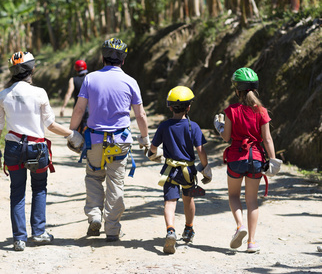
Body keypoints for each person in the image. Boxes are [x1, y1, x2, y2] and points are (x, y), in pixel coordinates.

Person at [0, 51, 84, 252]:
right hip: (37, 149)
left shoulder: (4, 95)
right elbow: (50, 125)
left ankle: (19, 239)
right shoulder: (40, 93)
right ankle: (39, 233)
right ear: (32, 69)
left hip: (14, 148)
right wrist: (72, 135)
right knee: (39, 188)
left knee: (17, 192)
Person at [68, 38, 150, 242]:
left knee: (94, 178)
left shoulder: (90, 79)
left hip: (94, 139)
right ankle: (112, 229)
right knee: (116, 183)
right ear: (123, 60)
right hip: (120, 141)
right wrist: (145, 138)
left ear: (102, 57)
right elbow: (140, 115)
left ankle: (95, 215)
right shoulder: (131, 81)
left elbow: (79, 109)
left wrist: (72, 133)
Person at [213, 67, 282, 253]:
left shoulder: (231, 111)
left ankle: (240, 226)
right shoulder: (262, 111)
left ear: (237, 90)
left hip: (236, 157)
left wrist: (219, 126)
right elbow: (267, 138)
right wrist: (274, 160)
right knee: (252, 200)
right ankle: (252, 242)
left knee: (233, 196)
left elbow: (226, 137)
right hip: (257, 159)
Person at [148, 86, 212, 254]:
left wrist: (150, 153)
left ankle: (170, 230)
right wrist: (205, 167)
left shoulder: (164, 126)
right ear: (189, 107)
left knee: (170, 202)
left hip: (170, 171)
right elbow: (200, 150)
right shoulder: (194, 127)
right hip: (188, 171)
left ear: (169, 107)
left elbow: (153, 148)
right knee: (188, 200)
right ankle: (189, 229)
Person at [60, 60, 89, 134]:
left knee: (77, 132)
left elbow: (69, 93)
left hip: (78, 108)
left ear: (75, 68)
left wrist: (63, 107)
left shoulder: (73, 80)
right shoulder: (90, 78)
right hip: (90, 109)